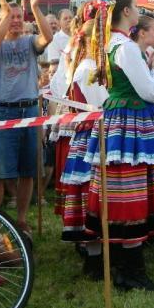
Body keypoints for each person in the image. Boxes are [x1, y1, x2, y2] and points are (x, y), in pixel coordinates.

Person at [83, 0, 154, 291]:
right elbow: (151, 92)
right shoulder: (125, 47)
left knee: (123, 187)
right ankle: (131, 269)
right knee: (132, 188)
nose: (139, 11)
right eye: (136, 6)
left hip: (119, 119)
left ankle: (125, 263)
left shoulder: (109, 43)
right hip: (134, 121)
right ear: (126, 11)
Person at [0, 0, 53, 237]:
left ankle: (22, 220)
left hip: (29, 111)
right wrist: (5, 11)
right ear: (1, 21)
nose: (15, 21)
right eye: (9, 17)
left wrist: (34, 7)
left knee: (28, 170)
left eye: (18, 17)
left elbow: (48, 37)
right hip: (3, 113)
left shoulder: (29, 42)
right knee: (1, 173)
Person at [58, 18, 109, 279]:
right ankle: (94, 257)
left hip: (91, 135)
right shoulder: (88, 69)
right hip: (93, 136)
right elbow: (104, 105)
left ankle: (97, 255)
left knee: (94, 193)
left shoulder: (85, 67)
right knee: (92, 193)